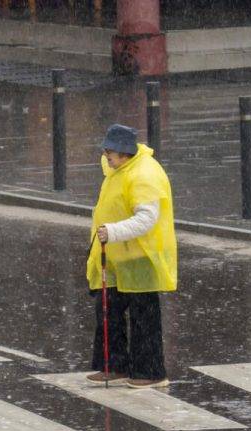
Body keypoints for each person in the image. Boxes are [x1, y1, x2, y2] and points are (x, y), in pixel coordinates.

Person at [86, 124, 178, 389]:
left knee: (143, 317)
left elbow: (147, 219)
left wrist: (112, 232)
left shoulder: (144, 175)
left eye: (110, 152)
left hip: (141, 256)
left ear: (125, 154)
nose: (106, 157)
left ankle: (151, 372)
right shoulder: (119, 169)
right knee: (108, 309)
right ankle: (114, 365)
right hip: (118, 255)